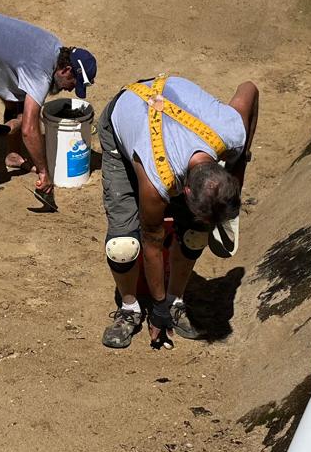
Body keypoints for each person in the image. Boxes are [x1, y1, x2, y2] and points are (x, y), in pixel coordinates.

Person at [98, 74, 259, 349]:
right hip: (125, 114)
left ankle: (176, 301)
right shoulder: (158, 180)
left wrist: (240, 162)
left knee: (195, 235)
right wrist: (156, 310)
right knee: (123, 245)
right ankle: (130, 308)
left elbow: (249, 89)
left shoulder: (231, 132)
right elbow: (152, 242)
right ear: (184, 193)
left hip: (171, 100)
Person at [0, 14, 98, 203]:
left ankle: (13, 155)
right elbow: (29, 130)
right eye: (73, 82)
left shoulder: (56, 52)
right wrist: (43, 172)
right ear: (66, 70)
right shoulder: (40, 73)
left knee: (21, 102)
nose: (70, 89)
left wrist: (19, 121)